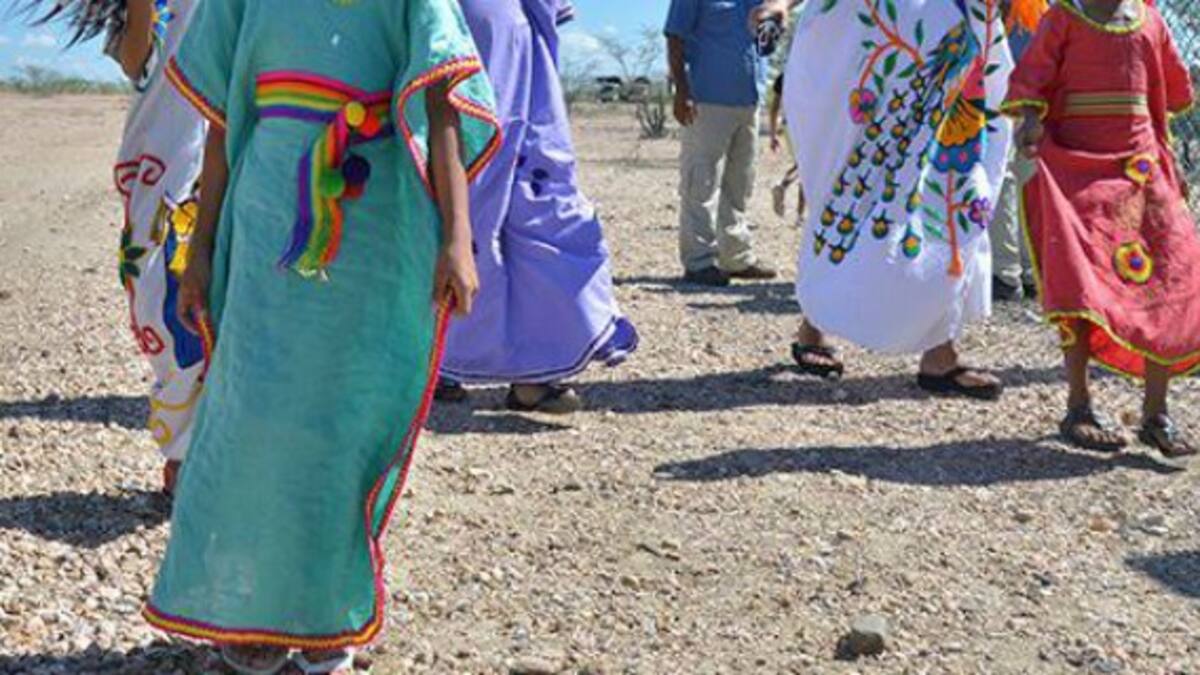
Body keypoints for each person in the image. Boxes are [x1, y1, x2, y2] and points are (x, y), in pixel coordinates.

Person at [142, 0, 500, 672]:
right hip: (265, 213)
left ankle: (323, 615)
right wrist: (202, 246)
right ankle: (251, 611)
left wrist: (457, 234)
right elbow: (222, 120)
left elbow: (442, 102)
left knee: (341, 418)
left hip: (373, 218)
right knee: (252, 413)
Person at [16, 0, 207, 496]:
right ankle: (185, 453)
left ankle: (209, 459)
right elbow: (135, 60)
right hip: (166, 166)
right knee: (163, 301)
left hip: (236, 157)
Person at [780, 0, 1015, 399]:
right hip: (870, 49)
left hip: (951, 48)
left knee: (947, 197)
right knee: (846, 187)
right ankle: (815, 322)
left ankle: (940, 352)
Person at [1004, 0, 1200, 457]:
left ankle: (1156, 413)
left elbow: (1170, 94)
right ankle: (1079, 405)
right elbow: (1032, 80)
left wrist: (1170, 162)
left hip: (1143, 170)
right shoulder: (1063, 19)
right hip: (1077, 176)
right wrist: (1029, 121)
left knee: (1169, 278)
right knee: (1078, 284)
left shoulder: (1150, 21)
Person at [437, 0, 639, 414]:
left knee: (543, 225)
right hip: (458, 99)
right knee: (463, 228)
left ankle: (535, 372)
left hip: (527, 103)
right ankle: (441, 363)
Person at [664, 0, 780, 287]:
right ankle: (699, 261)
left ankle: (736, 258)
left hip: (749, 101)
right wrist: (682, 91)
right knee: (700, 182)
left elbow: (769, 35)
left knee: (739, 183)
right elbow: (674, 36)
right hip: (707, 99)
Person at [989, 0, 1047, 302]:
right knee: (1027, 173)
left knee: (1003, 171)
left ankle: (1005, 271)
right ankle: (1031, 269)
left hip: (1006, 79)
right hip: (1036, 81)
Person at [768, 73, 805, 223]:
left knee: (802, 165)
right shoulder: (812, 72)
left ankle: (799, 214)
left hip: (789, 126)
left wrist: (772, 135)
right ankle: (799, 215)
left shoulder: (785, 76)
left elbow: (774, 108)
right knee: (806, 167)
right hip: (807, 125)